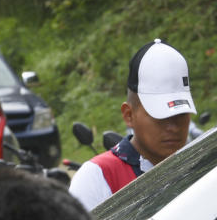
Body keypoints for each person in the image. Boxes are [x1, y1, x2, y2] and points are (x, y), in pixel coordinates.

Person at [70, 39, 196, 210]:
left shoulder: (201, 166)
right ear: (129, 115)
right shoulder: (98, 176)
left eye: (180, 114)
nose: (173, 127)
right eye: (160, 116)